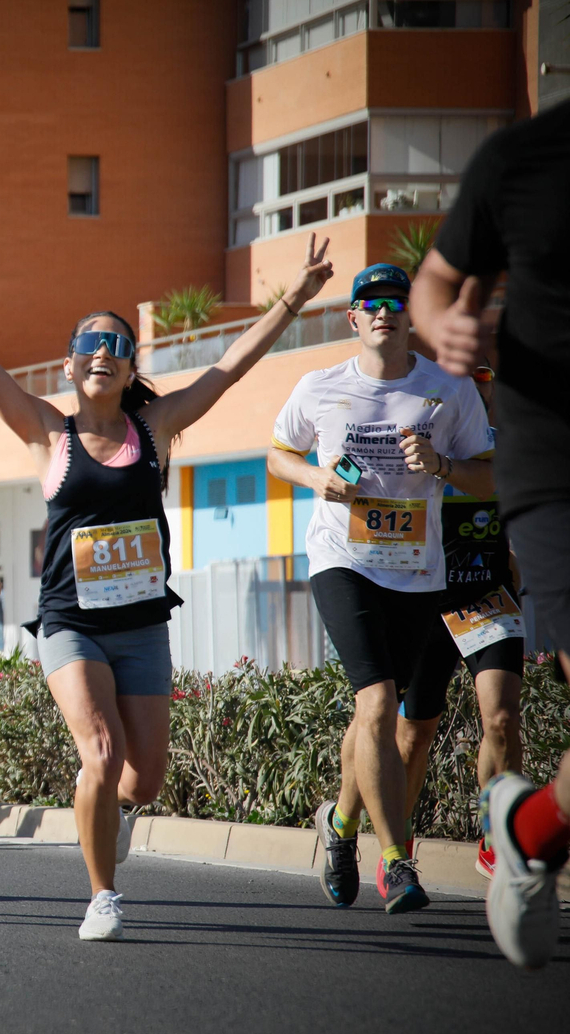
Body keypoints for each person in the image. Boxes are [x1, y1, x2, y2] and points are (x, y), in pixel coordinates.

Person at [0, 233, 334, 939]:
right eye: (89, 342)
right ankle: (103, 895)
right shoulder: (47, 432)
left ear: (131, 369)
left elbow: (229, 367)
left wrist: (295, 299)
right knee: (98, 750)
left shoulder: (154, 427)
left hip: (140, 624)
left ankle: (115, 816)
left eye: (117, 344)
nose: (103, 351)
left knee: (144, 779)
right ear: (70, 365)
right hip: (70, 621)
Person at [270, 262, 493, 917]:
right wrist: (315, 480)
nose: (383, 311)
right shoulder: (320, 386)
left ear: (408, 316)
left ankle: (338, 825)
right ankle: (396, 863)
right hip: (342, 561)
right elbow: (278, 453)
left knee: (379, 715)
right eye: (370, 302)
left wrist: (444, 467)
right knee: (376, 700)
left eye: (395, 301)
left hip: (417, 572)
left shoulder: (447, 390)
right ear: (353, 318)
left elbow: (489, 474)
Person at [408, 100, 570, 969]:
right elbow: (436, 282)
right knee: (415, 725)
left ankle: (527, 825)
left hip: (484, 573)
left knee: (496, 716)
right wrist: (445, 325)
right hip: (552, 469)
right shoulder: (524, 158)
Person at [397, 360, 522, 877]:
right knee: (415, 734)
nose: (476, 389)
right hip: (425, 599)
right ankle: (395, 850)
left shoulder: (508, 445)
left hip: (486, 598)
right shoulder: (412, 438)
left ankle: (497, 837)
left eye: (485, 380)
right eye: (465, 380)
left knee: (502, 716)